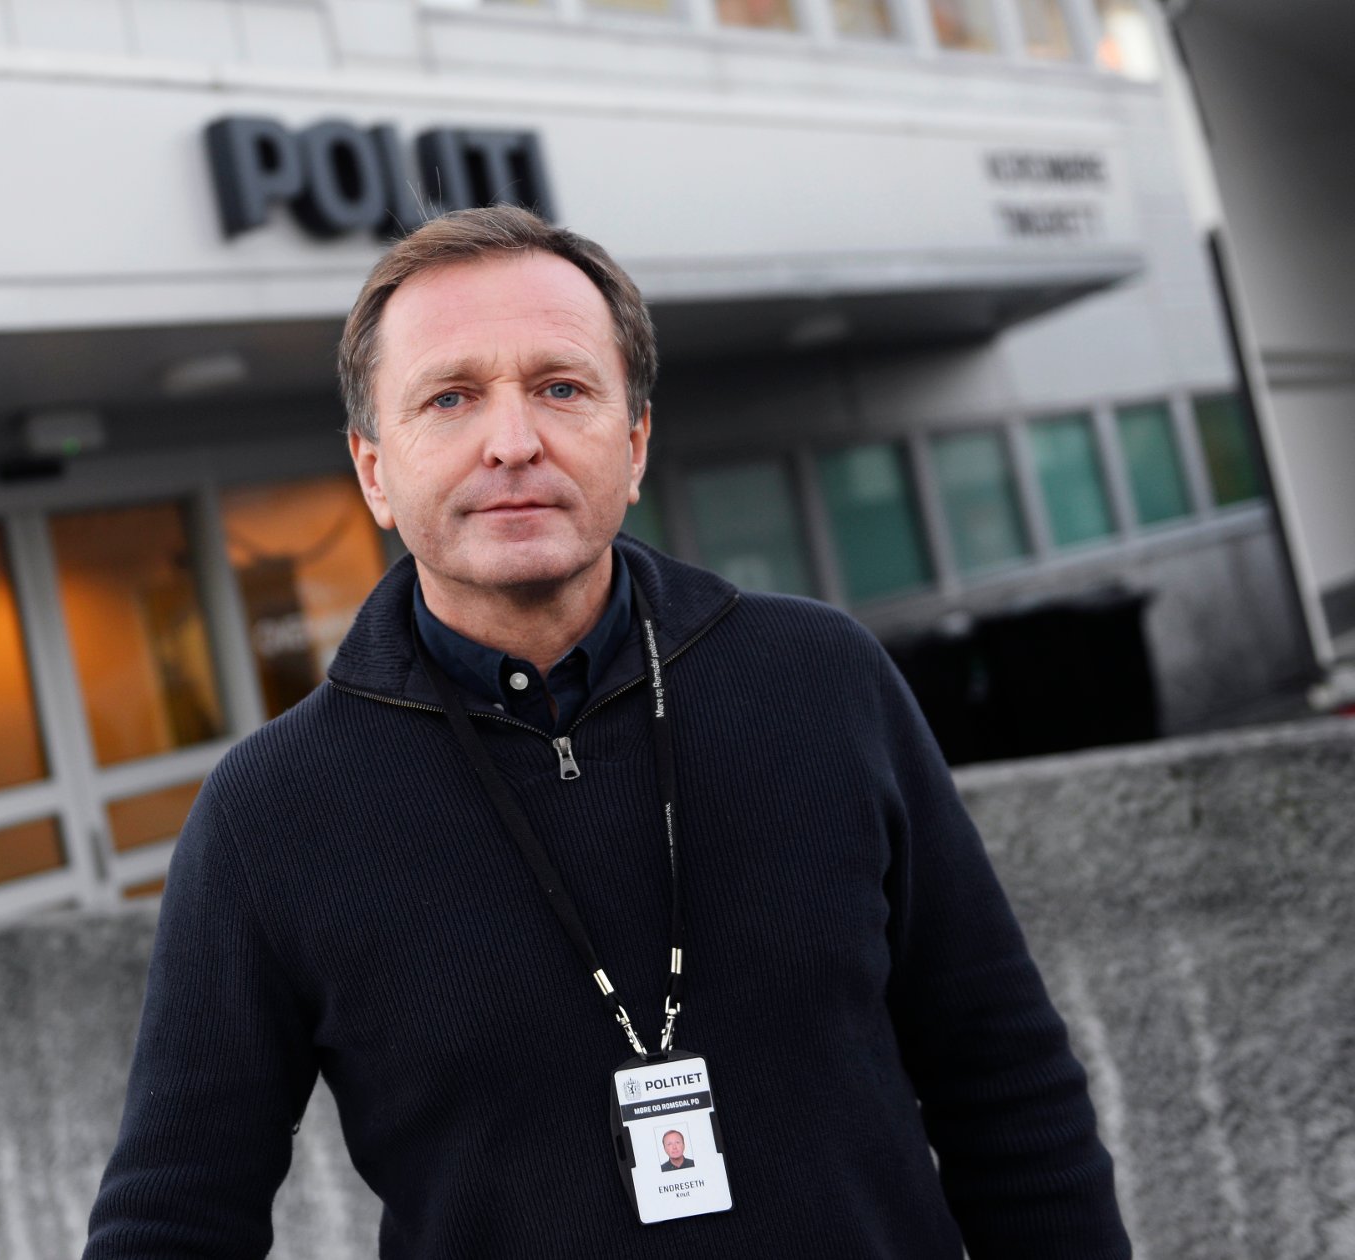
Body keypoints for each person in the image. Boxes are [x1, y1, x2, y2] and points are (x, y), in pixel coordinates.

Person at [83, 206, 1131, 1259]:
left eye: (561, 388)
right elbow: (173, 1217)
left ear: (632, 445)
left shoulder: (823, 681)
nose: (512, 442)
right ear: (373, 473)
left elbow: (1004, 1081)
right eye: (449, 398)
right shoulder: (270, 813)